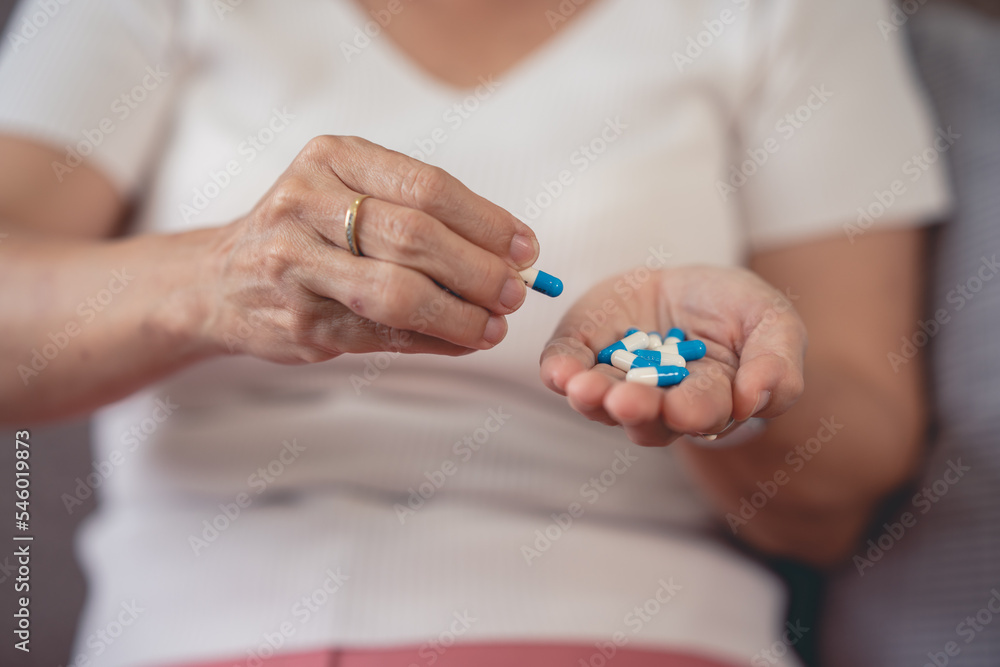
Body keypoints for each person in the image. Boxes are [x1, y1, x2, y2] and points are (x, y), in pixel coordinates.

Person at [0, 0, 948, 665]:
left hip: (635, 624)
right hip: (197, 625)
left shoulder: (792, 13)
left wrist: (732, 381)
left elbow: (843, 483)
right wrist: (211, 278)